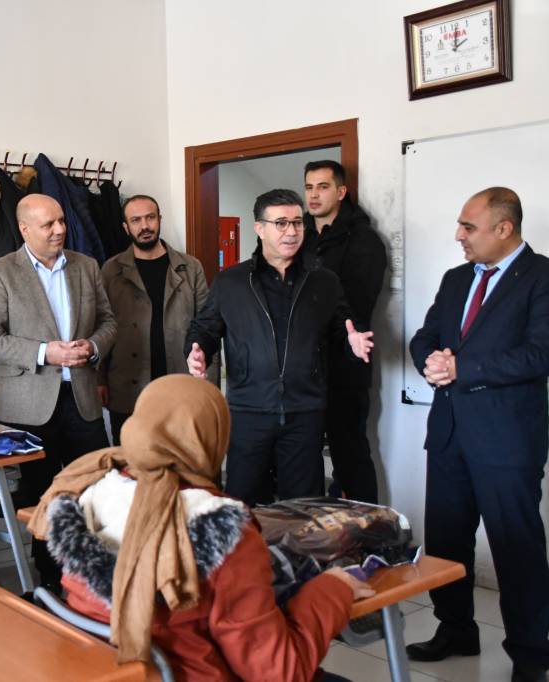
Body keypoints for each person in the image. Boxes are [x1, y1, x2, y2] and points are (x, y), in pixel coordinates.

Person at [27, 375, 372, 681]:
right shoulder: (222, 529)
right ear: (211, 438)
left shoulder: (89, 490)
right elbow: (278, 671)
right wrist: (332, 590)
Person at [407, 187, 549, 682]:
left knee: (516, 548)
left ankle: (531, 653)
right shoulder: (456, 279)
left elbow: (540, 354)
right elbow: (425, 336)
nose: (458, 235)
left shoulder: (542, 277)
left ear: (504, 229)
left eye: (469, 227)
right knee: (446, 541)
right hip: (449, 434)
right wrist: (431, 361)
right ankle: (455, 629)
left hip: (507, 440)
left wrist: (462, 368)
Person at [185, 189, 374, 507]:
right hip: (249, 411)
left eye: (298, 223)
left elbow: (343, 332)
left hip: (305, 411)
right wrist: (196, 351)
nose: (292, 231)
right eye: (281, 223)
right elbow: (204, 328)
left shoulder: (323, 280)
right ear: (260, 228)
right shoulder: (231, 282)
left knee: (302, 507)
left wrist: (351, 344)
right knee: (242, 504)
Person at [0, 193, 116, 585]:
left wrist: (94, 347)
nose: (59, 230)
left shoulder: (86, 266)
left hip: (82, 399)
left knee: (97, 487)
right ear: (24, 229)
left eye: (61, 221)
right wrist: (43, 352)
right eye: (48, 224)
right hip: (29, 406)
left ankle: (97, 573)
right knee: (41, 496)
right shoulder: (0, 273)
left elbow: (108, 322)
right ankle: (50, 580)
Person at [302, 160, 387, 503]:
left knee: (349, 454)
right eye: (309, 187)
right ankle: (311, 528)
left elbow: (356, 306)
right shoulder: (298, 235)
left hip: (345, 365)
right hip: (301, 367)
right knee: (302, 455)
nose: (313, 195)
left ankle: (367, 529)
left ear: (341, 192)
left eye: (322, 187)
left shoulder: (363, 239)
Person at [99, 194, 212, 444]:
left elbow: (207, 327)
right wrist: (100, 379)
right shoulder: (111, 270)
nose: (145, 226)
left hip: (180, 381)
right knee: (131, 458)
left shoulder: (190, 267)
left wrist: (208, 385)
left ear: (160, 219)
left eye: (150, 218)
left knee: (184, 456)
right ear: (126, 227)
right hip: (128, 383)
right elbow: (102, 325)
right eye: (136, 220)